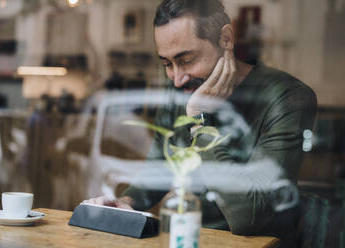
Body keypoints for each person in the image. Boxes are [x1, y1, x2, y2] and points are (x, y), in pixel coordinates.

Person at [84, 0, 317, 246]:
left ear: (226, 39)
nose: (176, 79)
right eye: (166, 64)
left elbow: (249, 218)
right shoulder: (181, 92)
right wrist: (125, 203)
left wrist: (200, 121)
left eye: (186, 60)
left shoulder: (287, 97)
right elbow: (160, 169)